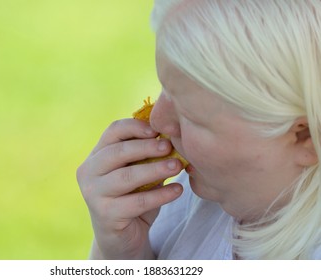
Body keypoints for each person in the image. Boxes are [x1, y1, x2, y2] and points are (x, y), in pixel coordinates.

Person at [76, 0, 321, 259]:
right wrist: (120, 255)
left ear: (306, 137)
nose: (157, 121)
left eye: (191, 116)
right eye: (165, 90)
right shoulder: (195, 195)